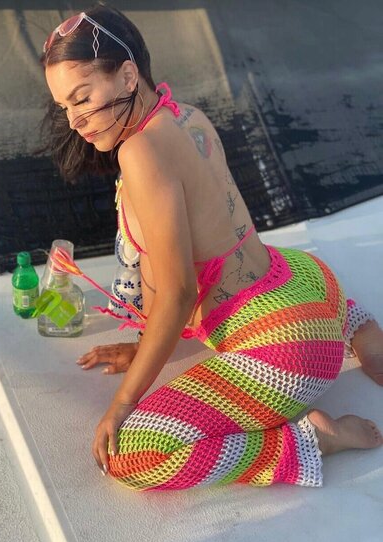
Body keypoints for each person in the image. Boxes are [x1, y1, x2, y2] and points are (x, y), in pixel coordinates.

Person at [41, 4, 383, 490]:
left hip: (285, 352)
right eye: (64, 107)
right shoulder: (185, 115)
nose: (75, 120)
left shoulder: (140, 151)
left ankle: (313, 439)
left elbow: (178, 293)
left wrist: (123, 401)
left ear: (128, 76)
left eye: (82, 98)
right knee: (268, 261)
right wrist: (144, 350)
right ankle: (358, 326)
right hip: (308, 286)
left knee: (131, 457)